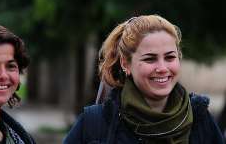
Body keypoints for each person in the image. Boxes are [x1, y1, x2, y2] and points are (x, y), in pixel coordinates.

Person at [64, 15, 225, 144]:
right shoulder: (95, 124)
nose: (162, 68)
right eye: (150, 59)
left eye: (170, 57)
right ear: (126, 64)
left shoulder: (200, 119)